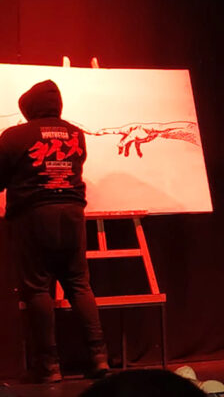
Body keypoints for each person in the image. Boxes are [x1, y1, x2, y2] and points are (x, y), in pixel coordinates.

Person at [0, 80, 109, 383]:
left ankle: (48, 366)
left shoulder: (15, 136)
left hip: (34, 215)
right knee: (79, 285)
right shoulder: (76, 134)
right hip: (72, 214)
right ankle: (99, 358)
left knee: (37, 288)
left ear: (29, 107)